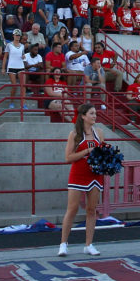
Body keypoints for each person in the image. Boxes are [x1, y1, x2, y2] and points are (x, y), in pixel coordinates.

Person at [58, 103, 105, 256]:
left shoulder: (99, 133)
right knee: (72, 209)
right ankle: (63, 244)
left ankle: (88, 245)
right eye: (91, 113)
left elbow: (103, 153)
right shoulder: (74, 134)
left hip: (95, 175)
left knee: (92, 210)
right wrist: (86, 151)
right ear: (83, 116)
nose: (94, 116)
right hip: (78, 174)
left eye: (95, 113)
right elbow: (68, 157)